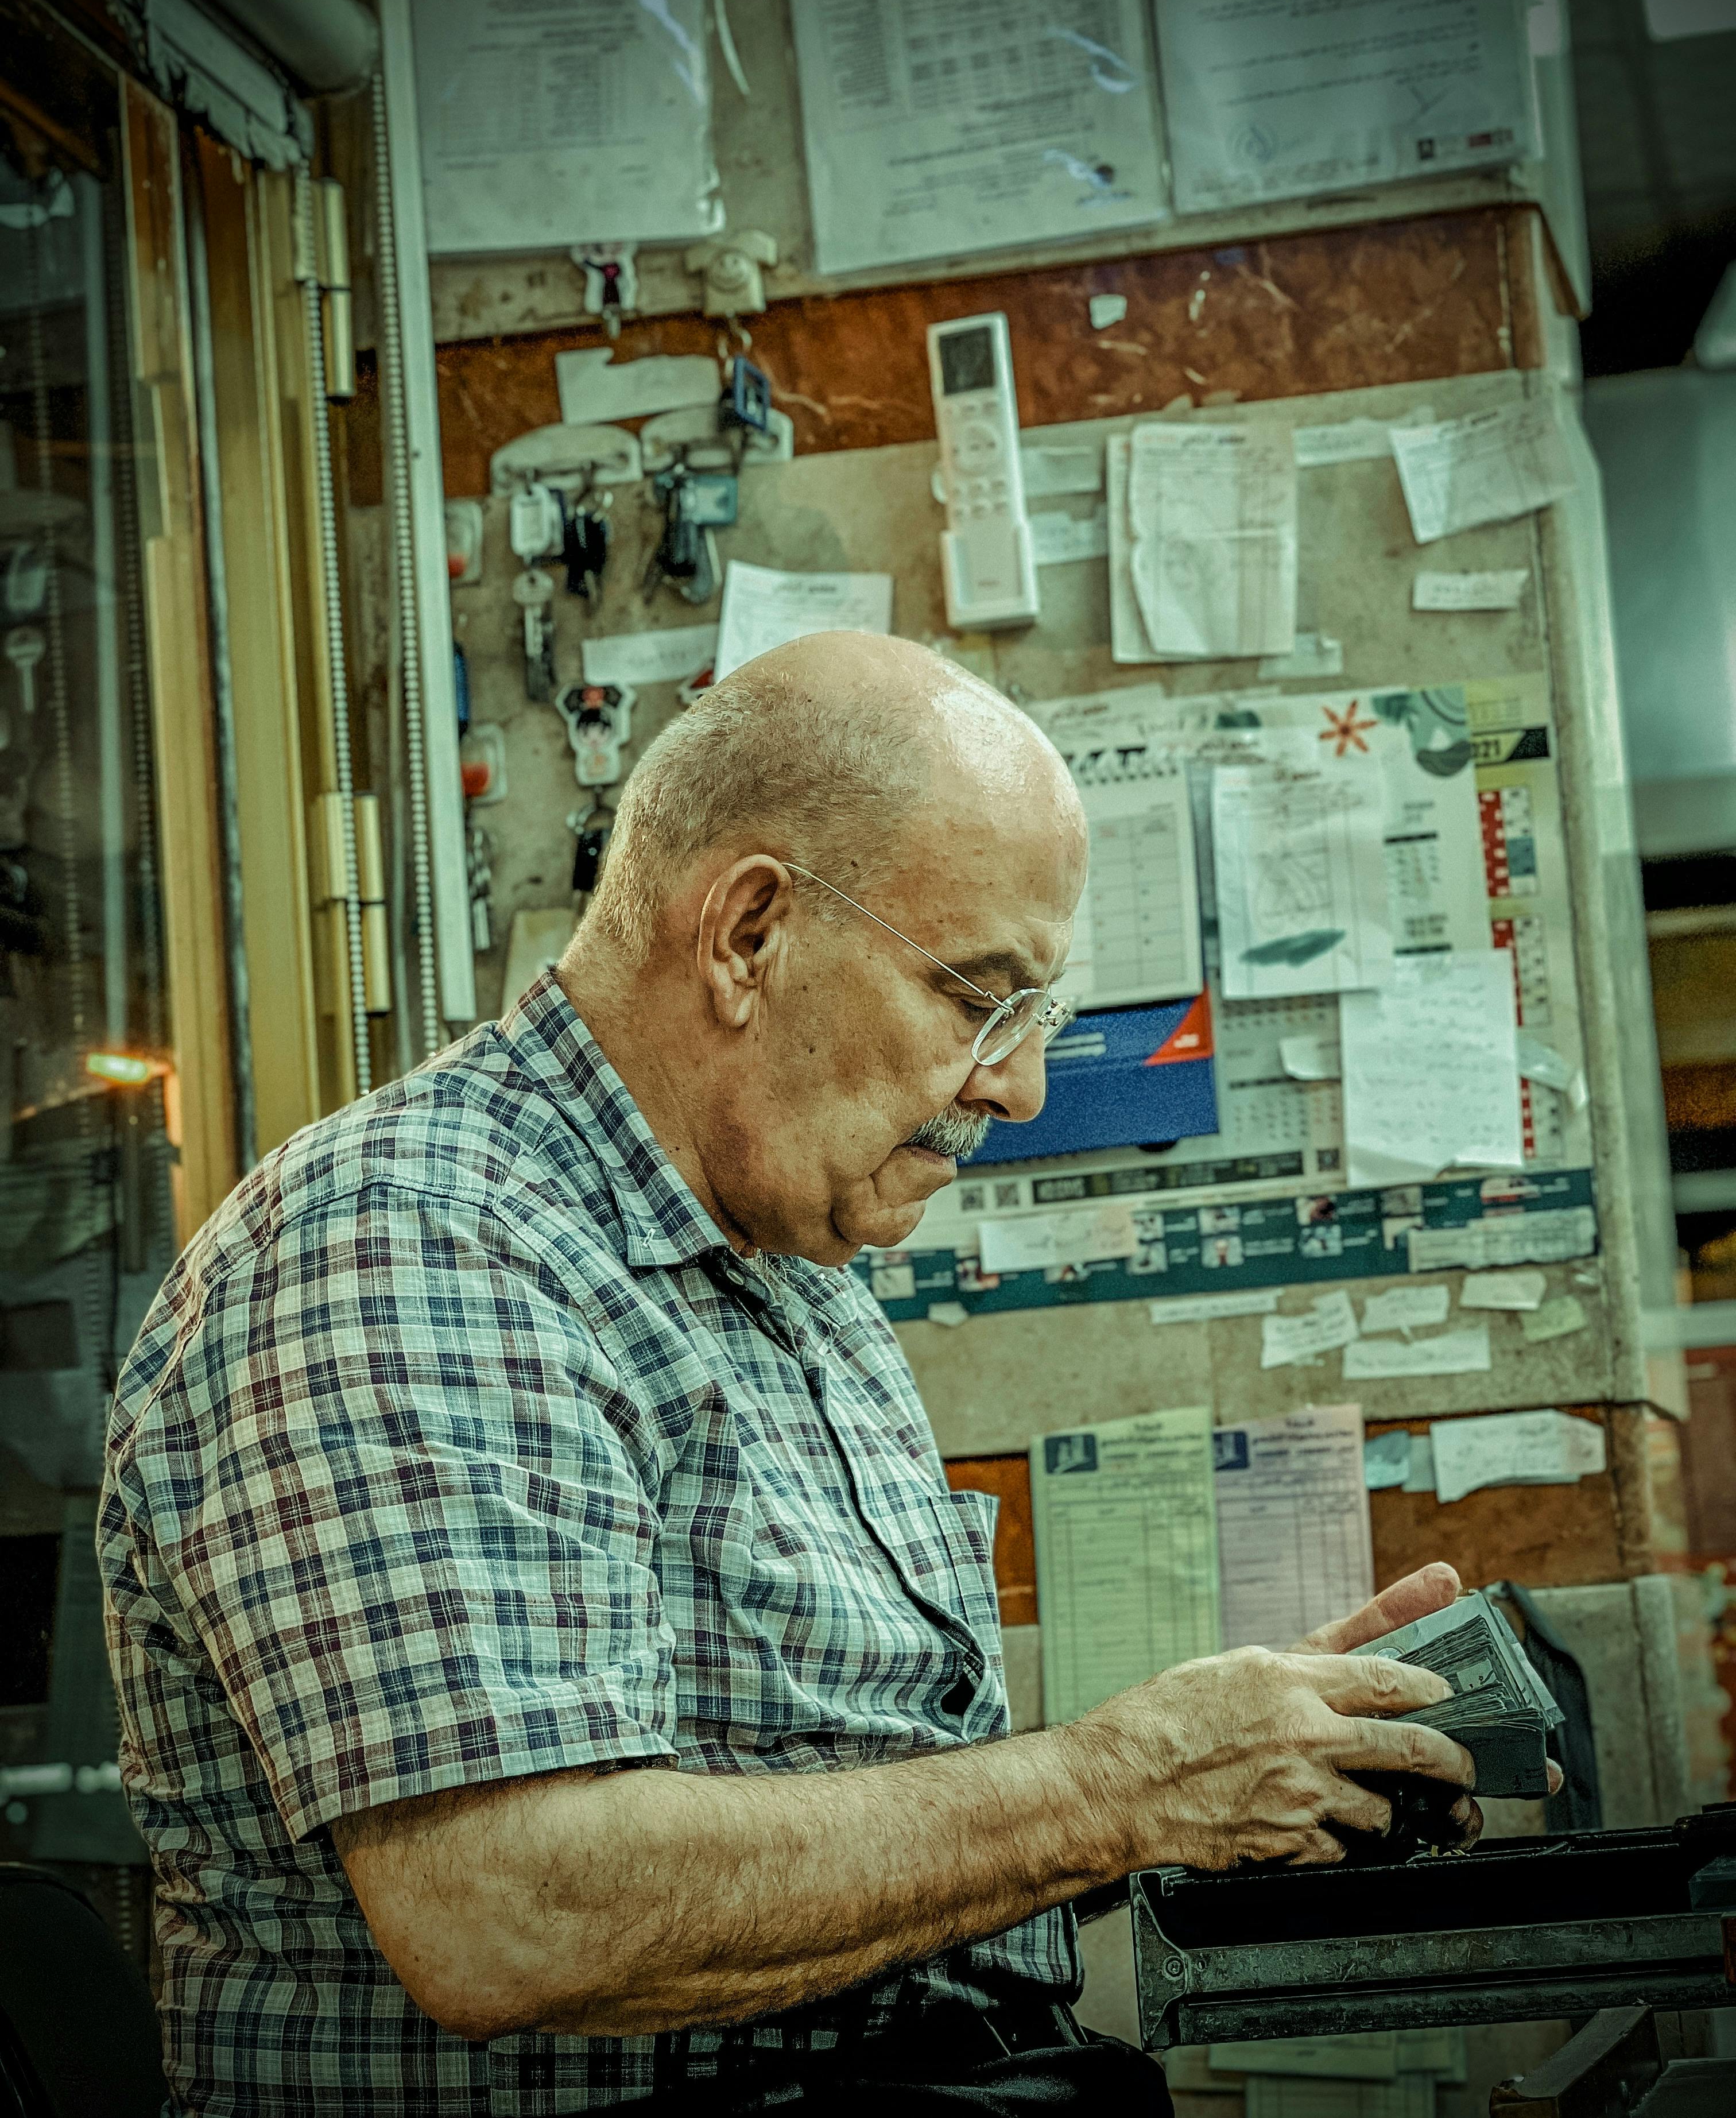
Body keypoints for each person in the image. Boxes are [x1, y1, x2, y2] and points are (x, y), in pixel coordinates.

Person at [100, 634, 1483, 2117]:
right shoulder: (412, 1245)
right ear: (749, 931)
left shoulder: (788, 1273)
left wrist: (1232, 1790)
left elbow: (878, 1843)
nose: (1016, 1083)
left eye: (1038, 1016)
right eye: (979, 996)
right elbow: (509, 1915)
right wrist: (1116, 1785)